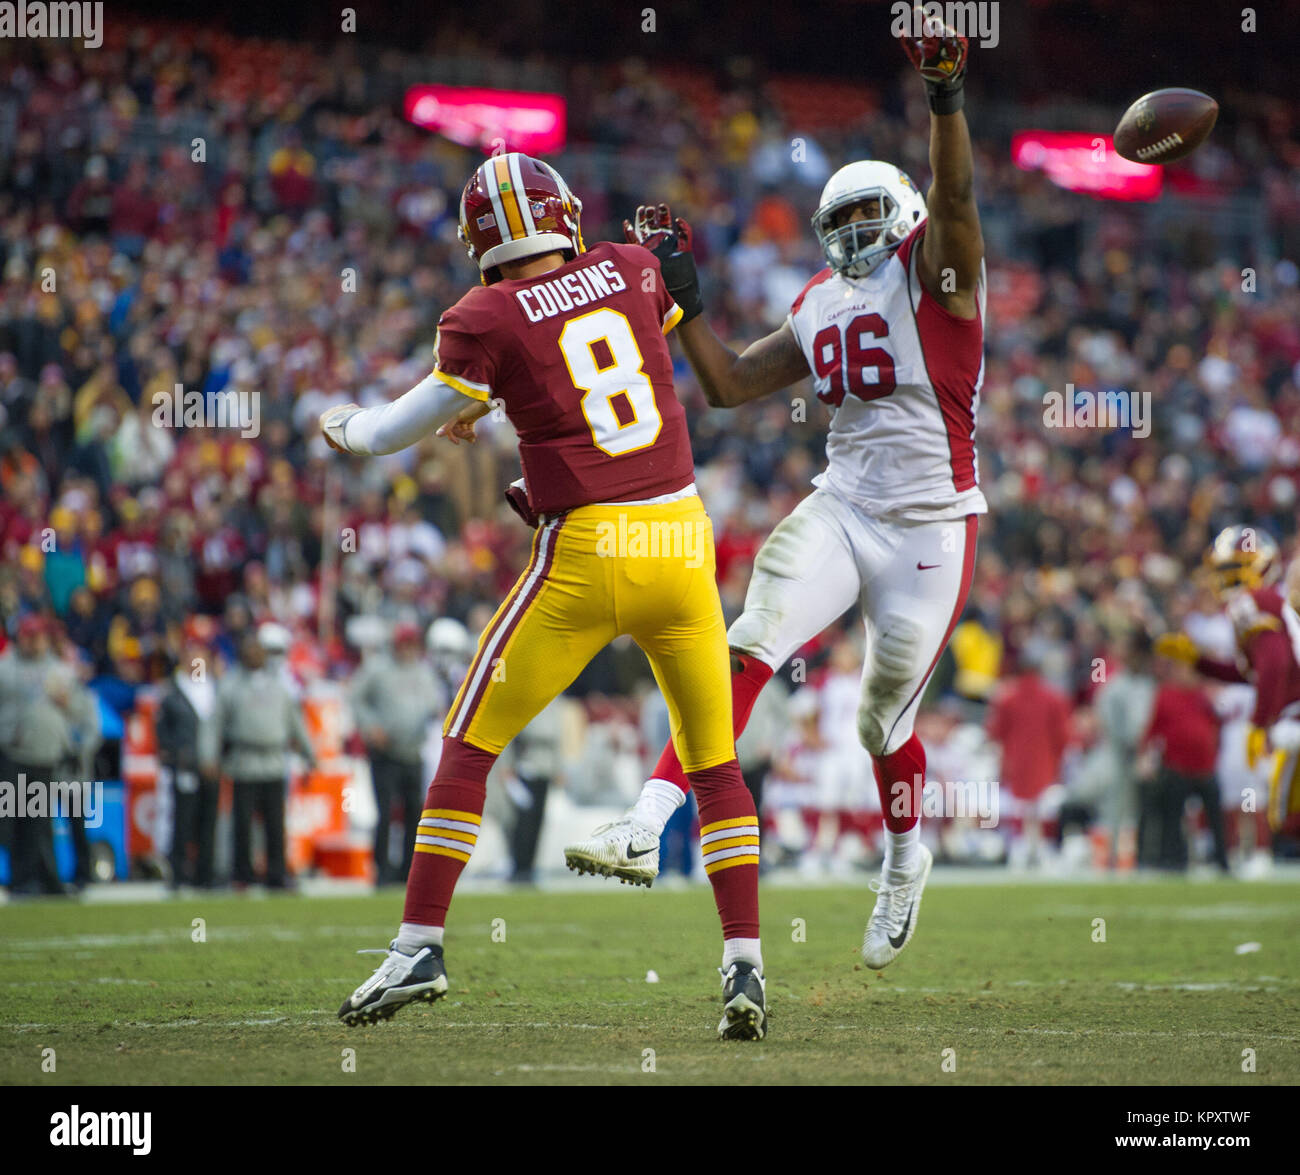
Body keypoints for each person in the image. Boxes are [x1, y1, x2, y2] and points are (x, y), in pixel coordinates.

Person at [567, 14, 984, 970]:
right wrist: (681, 301)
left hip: (931, 524)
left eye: (865, 217)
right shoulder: (818, 300)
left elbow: (956, 190)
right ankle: (646, 818)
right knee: (748, 640)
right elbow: (724, 386)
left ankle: (904, 853)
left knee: (881, 720)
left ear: (906, 216)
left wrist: (945, 93)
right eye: (836, 224)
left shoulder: (944, 274)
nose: (850, 237)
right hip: (843, 504)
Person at [323, 153, 766, 1039]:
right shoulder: (632, 267)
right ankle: (744, 967)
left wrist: (346, 426)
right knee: (713, 764)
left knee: (468, 739)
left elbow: (387, 432)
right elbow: (595, 361)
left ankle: (419, 945)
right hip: (683, 544)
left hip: (590, 552)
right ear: (560, 213)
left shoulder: (480, 314)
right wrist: (495, 405)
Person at [1157, 528, 1300, 854]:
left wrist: (1260, 724)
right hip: (1289, 716)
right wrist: (1199, 661)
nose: (1224, 578)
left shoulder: (1256, 601)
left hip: (1292, 719)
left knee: (1285, 814)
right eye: (1222, 570)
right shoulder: (1267, 601)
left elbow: (1276, 664)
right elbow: (1255, 673)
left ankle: (1258, 853)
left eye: (1232, 568)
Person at [200, 628, 317, 889]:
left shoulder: (279, 685)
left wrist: (311, 754)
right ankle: (242, 874)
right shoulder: (230, 685)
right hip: (244, 761)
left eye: (258, 651)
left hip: (274, 760)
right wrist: (208, 755)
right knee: (241, 823)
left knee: (275, 825)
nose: (254, 655)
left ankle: (276, 874)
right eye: (249, 651)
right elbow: (214, 724)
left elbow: (295, 721)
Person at [349, 621, 439, 885]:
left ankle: (409, 870)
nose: (409, 649)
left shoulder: (424, 672)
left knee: (415, 813)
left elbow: (434, 703)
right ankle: (382, 871)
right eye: (405, 643)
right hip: (385, 752)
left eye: (413, 643)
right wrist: (369, 726)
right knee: (385, 813)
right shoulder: (377, 669)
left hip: (413, 752)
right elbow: (356, 698)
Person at [157, 619, 219, 888]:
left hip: (212, 766)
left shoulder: (215, 688)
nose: (196, 658)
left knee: (208, 821)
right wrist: (176, 755)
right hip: (185, 766)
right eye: (191, 653)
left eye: (200, 653)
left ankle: (206, 873)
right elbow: (163, 731)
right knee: (181, 821)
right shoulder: (173, 691)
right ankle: (179, 873)